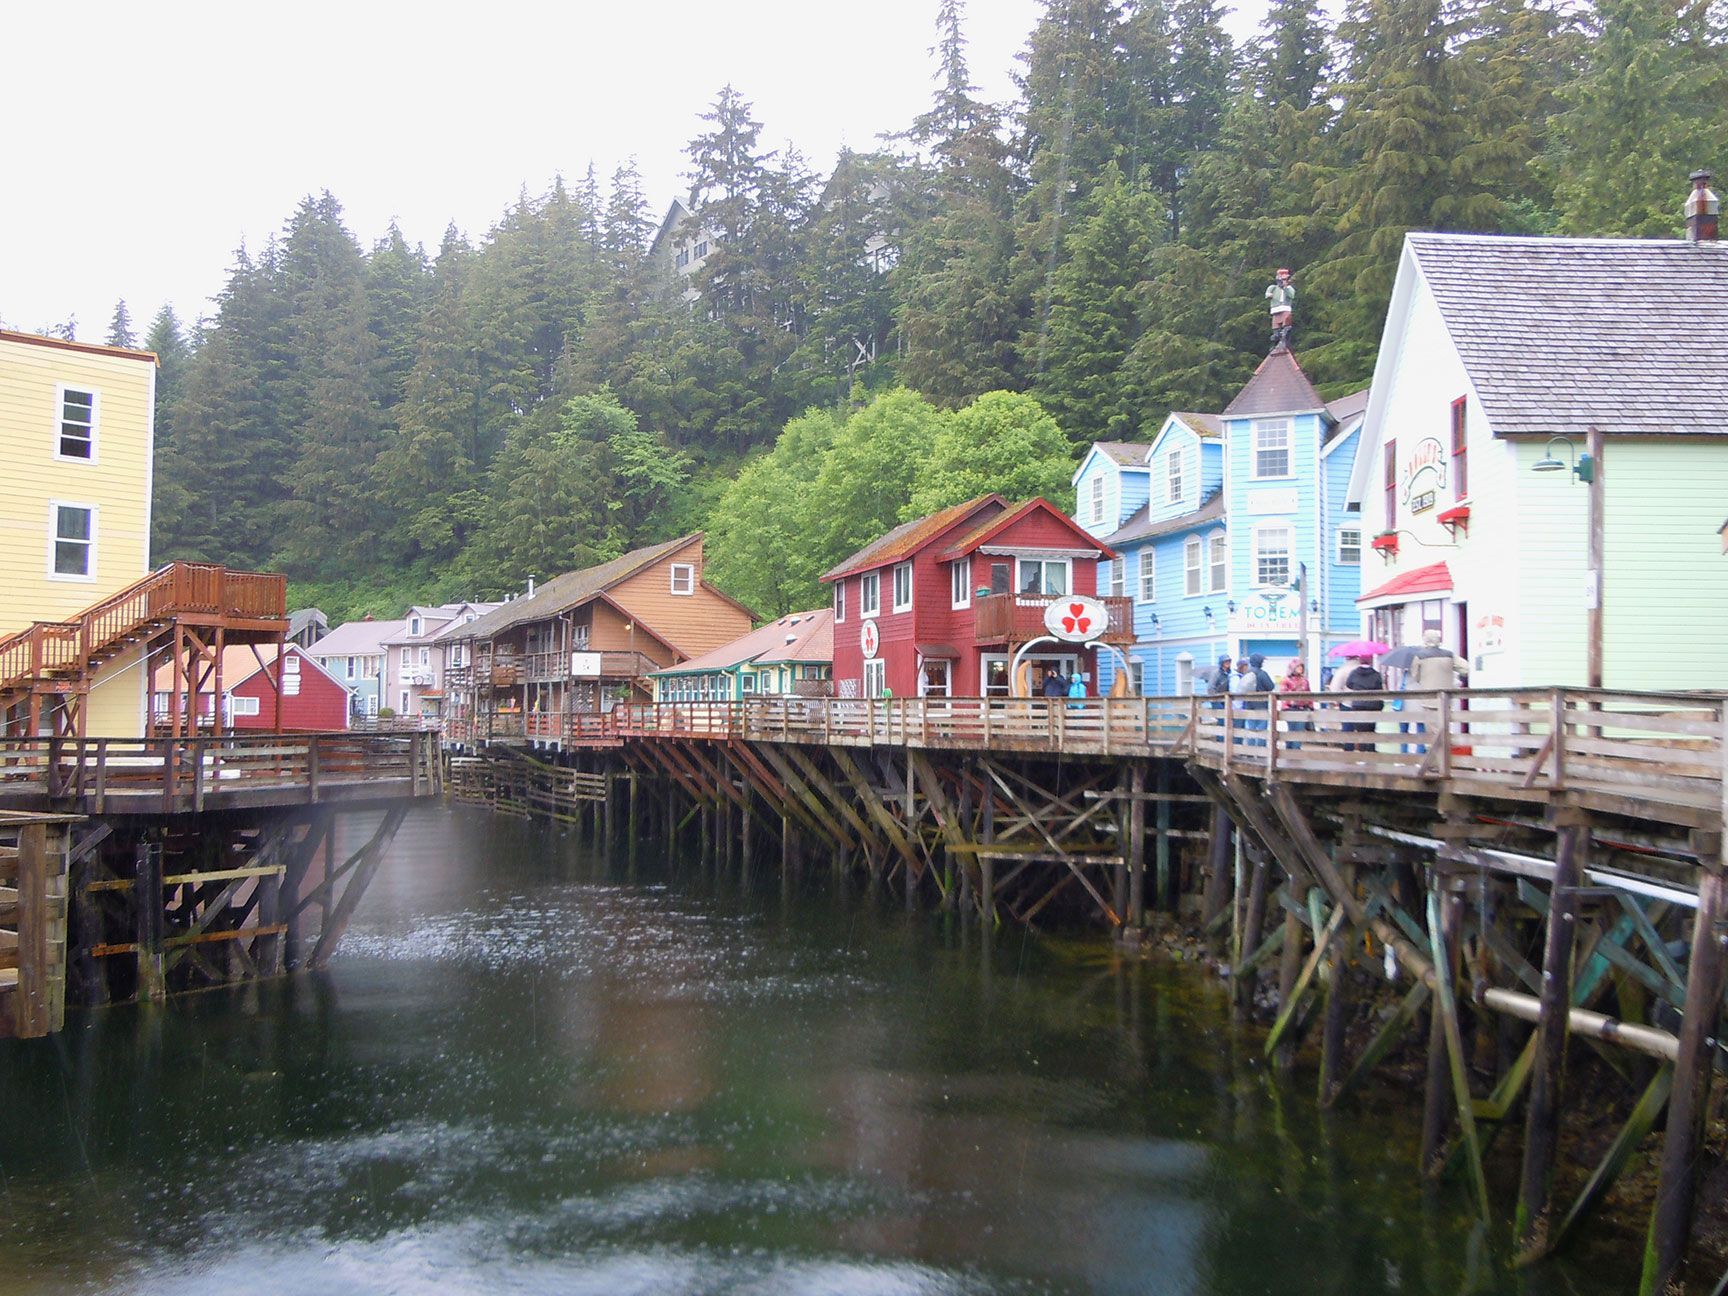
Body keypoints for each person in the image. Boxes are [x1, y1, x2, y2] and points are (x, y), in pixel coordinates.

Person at [1339, 654, 1384, 751]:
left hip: (1358, 705)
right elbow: (1380, 688)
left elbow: (1349, 684)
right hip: (1373, 706)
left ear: (1360, 661)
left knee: (1360, 731)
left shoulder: (1354, 673)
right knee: (1371, 731)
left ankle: (1363, 755)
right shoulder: (1376, 674)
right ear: (1371, 660)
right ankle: (1371, 753)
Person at [1231, 657, 1267, 746]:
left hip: (1247, 705)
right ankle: (1260, 751)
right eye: (1245, 666)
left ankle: (1250, 751)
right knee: (1260, 729)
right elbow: (1270, 686)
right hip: (1248, 706)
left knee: (1250, 729)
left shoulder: (1244, 676)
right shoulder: (1260, 674)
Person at [1278, 659, 1314, 747]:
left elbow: (1309, 694)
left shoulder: (1305, 681)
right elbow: (1283, 695)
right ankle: (1289, 752)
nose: (1300, 668)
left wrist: (1310, 705)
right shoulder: (1286, 680)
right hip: (1289, 709)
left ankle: (1296, 753)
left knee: (1299, 732)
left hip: (1302, 709)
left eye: (1301, 666)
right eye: (1298, 666)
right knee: (1291, 731)